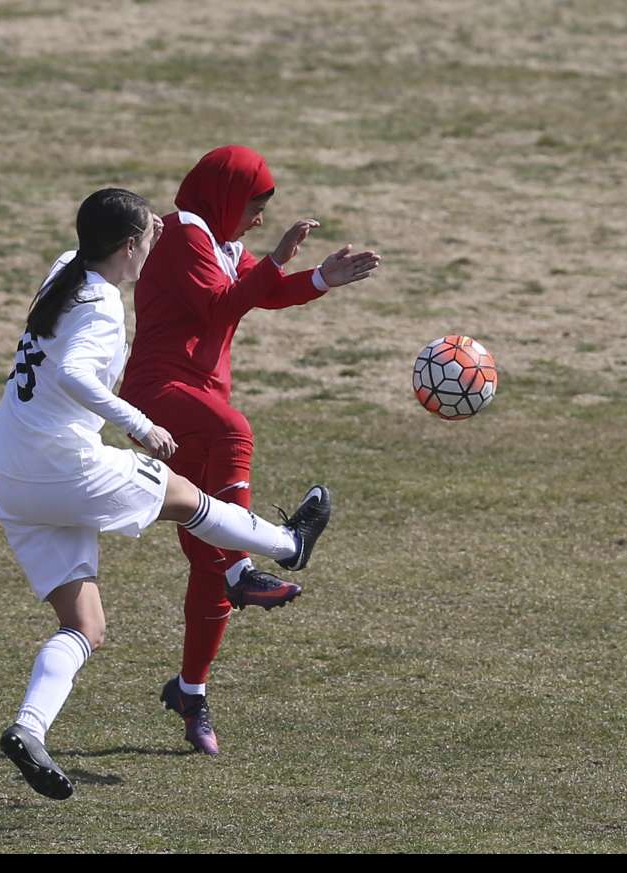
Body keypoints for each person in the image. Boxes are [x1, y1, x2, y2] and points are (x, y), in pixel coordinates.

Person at [0, 188, 332, 800]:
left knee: (85, 625)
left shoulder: (65, 267)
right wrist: (140, 426)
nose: (156, 245)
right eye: (149, 237)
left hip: (14, 476)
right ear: (128, 246)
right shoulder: (102, 303)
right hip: (63, 467)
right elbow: (73, 374)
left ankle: (28, 731)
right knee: (187, 498)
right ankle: (287, 545)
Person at [118, 146, 381, 755]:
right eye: (254, 208)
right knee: (236, 435)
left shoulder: (218, 243)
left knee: (205, 549)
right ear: (226, 198)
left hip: (200, 396)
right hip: (162, 394)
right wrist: (279, 260)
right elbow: (218, 304)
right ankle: (248, 568)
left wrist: (318, 278)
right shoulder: (184, 234)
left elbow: (251, 293)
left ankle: (191, 690)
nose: (259, 220)